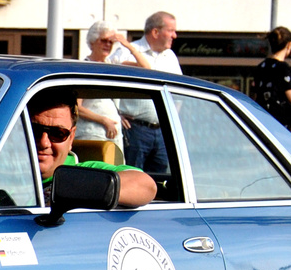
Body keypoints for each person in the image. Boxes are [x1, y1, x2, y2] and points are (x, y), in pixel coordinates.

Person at [29, 87, 157, 208]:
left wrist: (72, 190)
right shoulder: (10, 171)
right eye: (34, 131)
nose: (44, 143)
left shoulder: (83, 171)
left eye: (58, 134)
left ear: (72, 137)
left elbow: (145, 185)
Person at [107, 11, 181, 173]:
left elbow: (178, 93)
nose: (174, 36)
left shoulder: (170, 57)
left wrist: (173, 121)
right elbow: (106, 85)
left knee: (161, 181)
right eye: (171, 31)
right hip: (135, 129)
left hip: (163, 131)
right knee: (134, 177)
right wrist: (116, 114)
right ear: (155, 32)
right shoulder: (127, 52)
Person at [76, 21, 148, 158]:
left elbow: (146, 69)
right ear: (92, 42)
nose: (108, 45)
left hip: (113, 135)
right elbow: (77, 107)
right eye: (104, 41)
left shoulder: (113, 65)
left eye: (111, 42)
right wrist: (104, 120)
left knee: (117, 173)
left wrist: (127, 45)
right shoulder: (84, 68)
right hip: (92, 134)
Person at [250, 26, 291, 127]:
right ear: (289, 45)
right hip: (276, 122)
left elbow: (261, 92)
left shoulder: (261, 66)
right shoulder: (282, 67)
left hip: (262, 119)